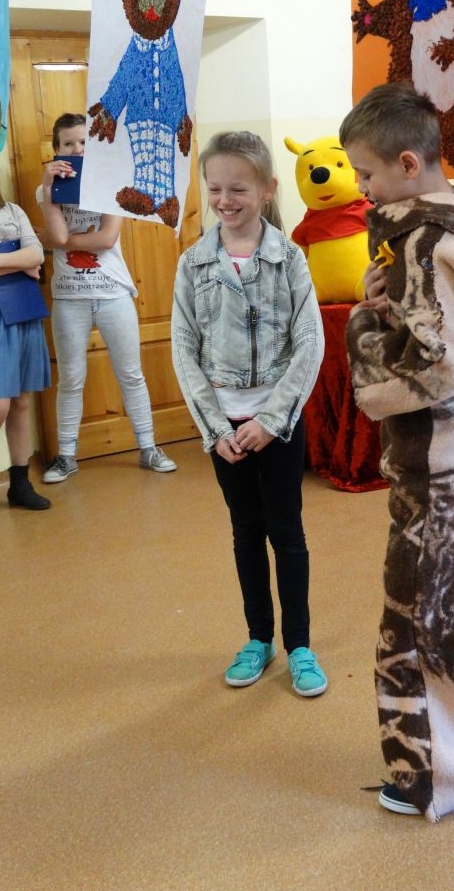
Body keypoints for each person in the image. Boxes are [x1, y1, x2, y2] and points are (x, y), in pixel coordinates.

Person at [340, 82, 454, 822]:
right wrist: (387, 298)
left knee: (423, 615)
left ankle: (446, 775)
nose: (361, 186)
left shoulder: (419, 239)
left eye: (367, 173)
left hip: (442, 451)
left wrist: (362, 327)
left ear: (408, 164)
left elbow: (436, 366)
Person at [171, 131, 328, 698]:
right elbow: (183, 348)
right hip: (225, 430)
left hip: (277, 423)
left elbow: (309, 342)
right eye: (214, 188)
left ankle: (299, 645)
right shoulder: (194, 263)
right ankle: (258, 638)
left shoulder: (289, 259)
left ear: (266, 189)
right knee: (245, 532)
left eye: (238, 188)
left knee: (287, 531)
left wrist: (273, 420)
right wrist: (217, 429)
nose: (224, 199)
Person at [38, 113, 177, 483]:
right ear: (56, 149)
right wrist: (50, 194)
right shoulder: (45, 190)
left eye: (84, 142)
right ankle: (66, 456)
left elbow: (105, 239)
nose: (77, 149)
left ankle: (148, 447)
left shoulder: (111, 183)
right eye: (68, 143)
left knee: (131, 374)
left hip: (113, 292)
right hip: (69, 298)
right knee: (71, 378)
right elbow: (56, 237)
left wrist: (58, 240)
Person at [0, 144, 51, 523]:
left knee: (22, 401)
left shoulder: (14, 210)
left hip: (22, 305)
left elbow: (36, 255)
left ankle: (19, 483)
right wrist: (18, 262)